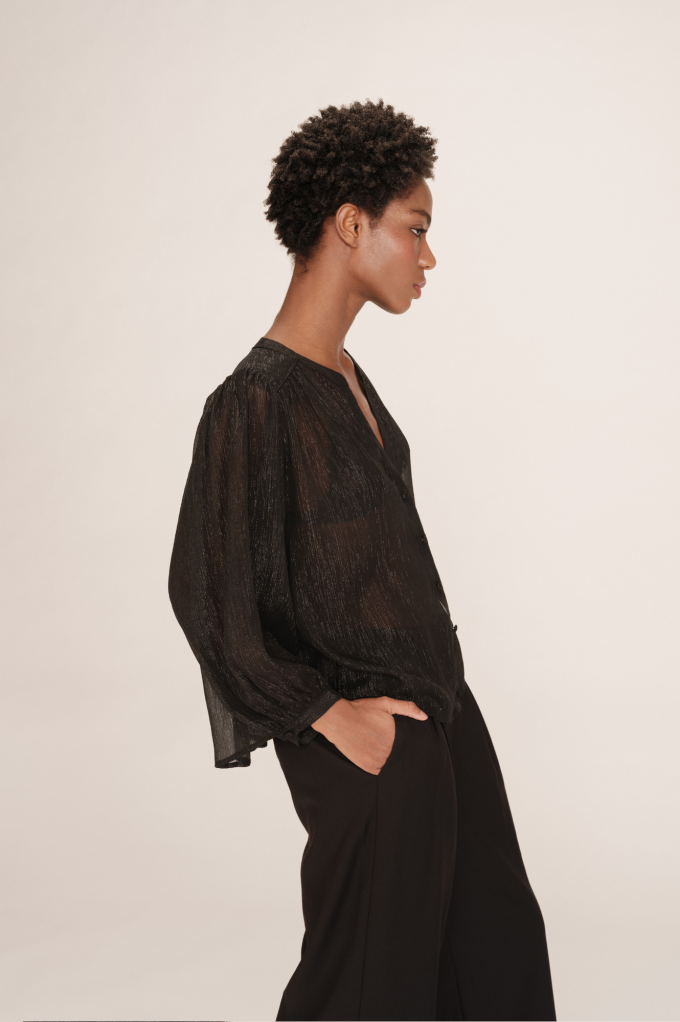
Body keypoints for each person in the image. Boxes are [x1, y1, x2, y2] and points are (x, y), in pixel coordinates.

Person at [169, 99, 555, 1022]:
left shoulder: (347, 377)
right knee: (368, 986)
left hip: (443, 714)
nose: (429, 256)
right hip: (372, 741)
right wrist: (329, 718)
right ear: (350, 225)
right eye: (415, 229)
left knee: (497, 955)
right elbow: (207, 592)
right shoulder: (253, 402)